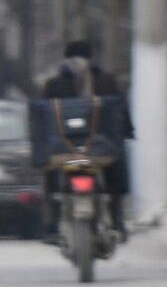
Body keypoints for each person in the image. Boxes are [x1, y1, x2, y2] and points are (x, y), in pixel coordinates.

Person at [41, 41, 132, 240]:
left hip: (65, 150)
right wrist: (128, 131)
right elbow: (121, 112)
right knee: (116, 171)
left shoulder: (54, 84)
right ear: (91, 57)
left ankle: (52, 223)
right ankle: (117, 221)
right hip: (99, 150)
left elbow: (43, 118)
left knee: (50, 174)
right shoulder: (107, 81)